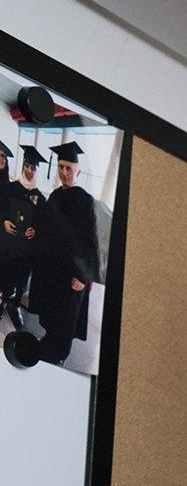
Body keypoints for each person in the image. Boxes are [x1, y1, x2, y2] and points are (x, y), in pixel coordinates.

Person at [27, 139, 98, 348]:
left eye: (69, 168)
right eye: (60, 167)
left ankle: (59, 354)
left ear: (78, 172)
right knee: (51, 312)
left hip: (71, 272)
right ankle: (49, 340)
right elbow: (50, 227)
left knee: (65, 317)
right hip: (52, 268)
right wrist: (36, 231)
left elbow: (90, 241)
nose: (64, 172)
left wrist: (82, 276)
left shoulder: (85, 200)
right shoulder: (56, 195)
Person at [0, 142, 42, 312]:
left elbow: (41, 220)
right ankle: (2, 301)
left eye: (33, 167)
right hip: (9, 242)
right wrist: (3, 221)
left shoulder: (39, 196)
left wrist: (36, 230)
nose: (29, 170)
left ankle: (16, 304)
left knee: (22, 275)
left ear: (36, 170)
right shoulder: (10, 188)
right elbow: (1, 208)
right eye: (27, 166)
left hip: (25, 246)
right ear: (23, 166)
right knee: (5, 271)